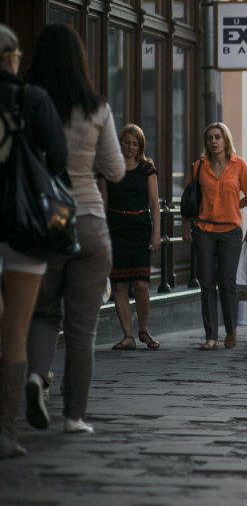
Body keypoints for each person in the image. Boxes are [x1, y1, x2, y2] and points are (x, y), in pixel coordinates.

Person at [24, 23, 124, 435]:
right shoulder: (97, 107)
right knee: (83, 328)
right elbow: (117, 170)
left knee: (44, 314)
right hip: (88, 221)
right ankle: (74, 416)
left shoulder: (28, 104)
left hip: (45, 221)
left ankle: (36, 377)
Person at [0, 23, 66, 457]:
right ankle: (4, 433)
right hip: (22, 225)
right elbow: (58, 160)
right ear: (11, 57)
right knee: (15, 329)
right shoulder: (32, 98)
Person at [183, 122, 247, 351]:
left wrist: (234, 205)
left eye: (217, 137)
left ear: (226, 140)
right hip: (203, 230)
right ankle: (211, 336)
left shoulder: (239, 165)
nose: (213, 141)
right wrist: (186, 226)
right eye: (210, 138)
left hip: (230, 232)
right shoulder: (199, 166)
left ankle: (231, 330)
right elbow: (188, 200)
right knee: (206, 283)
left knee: (227, 282)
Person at [103, 124, 161, 350]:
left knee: (140, 283)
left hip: (139, 227)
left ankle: (143, 330)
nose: (130, 147)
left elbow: (155, 203)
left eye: (135, 144)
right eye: (127, 142)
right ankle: (127, 335)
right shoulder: (109, 169)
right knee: (119, 284)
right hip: (115, 227)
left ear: (141, 146)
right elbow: (104, 202)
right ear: (120, 143)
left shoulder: (147, 168)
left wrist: (156, 233)